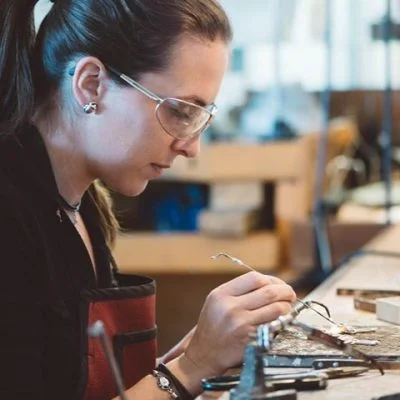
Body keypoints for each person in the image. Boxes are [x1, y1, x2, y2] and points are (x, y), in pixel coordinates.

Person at [0, 0, 297, 399]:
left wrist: (200, 351)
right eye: (179, 111)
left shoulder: (80, 205)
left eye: (200, 116)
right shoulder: (11, 214)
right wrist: (190, 368)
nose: (192, 148)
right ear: (91, 84)